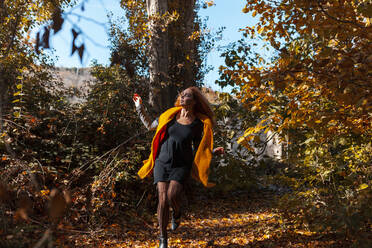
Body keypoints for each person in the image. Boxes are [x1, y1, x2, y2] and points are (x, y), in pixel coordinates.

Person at [133, 87, 224, 248]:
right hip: (162, 161)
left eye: (187, 96)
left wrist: (212, 151)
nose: (182, 98)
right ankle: (163, 239)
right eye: (181, 95)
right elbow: (149, 125)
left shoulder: (198, 123)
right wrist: (140, 107)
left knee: (172, 195)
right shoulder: (169, 115)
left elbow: (199, 148)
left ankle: (177, 212)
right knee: (162, 200)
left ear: (195, 101)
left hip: (182, 164)